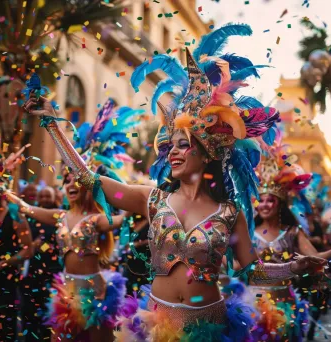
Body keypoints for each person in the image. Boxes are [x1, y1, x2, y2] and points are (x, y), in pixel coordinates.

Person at [23, 24, 328, 341]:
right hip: (156, 325)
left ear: (207, 150)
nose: (173, 152)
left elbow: (251, 270)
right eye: (172, 145)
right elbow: (90, 178)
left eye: (184, 144)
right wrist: (51, 124)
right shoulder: (152, 199)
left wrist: (295, 267)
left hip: (209, 328)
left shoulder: (229, 212)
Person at [0, 97, 144, 342]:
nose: (70, 184)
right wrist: (0, 188)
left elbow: (118, 220)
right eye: (65, 181)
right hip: (66, 293)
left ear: (86, 188)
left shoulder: (95, 220)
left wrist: (129, 198)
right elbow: (25, 207)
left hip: (95, 295)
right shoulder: (60, 216)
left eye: (76, 181)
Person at [251, 139, 331, 341]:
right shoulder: (249, 232)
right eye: (261, 200)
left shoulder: (292, 232)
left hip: (285, 306)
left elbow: (315, 257)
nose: (265, 205)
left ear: (280, 204)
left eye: (271, 200)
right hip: (251, 305)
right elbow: (236, 264)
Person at [0, 146, 33, 341]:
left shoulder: (15, 215)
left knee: (2, 332)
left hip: (5, 284)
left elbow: (28, 250)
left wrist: (0, 265)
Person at [19, 185, 62, 341]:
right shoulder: (31, 216)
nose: (44, 199)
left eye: (47, 196)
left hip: (53, 272)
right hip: (32, 270)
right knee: (29, 309)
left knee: (49, 309)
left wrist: (40, 246)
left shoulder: (59, 216)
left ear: (54, 198)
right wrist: (33, 245)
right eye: (41, 196)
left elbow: (52, 245)